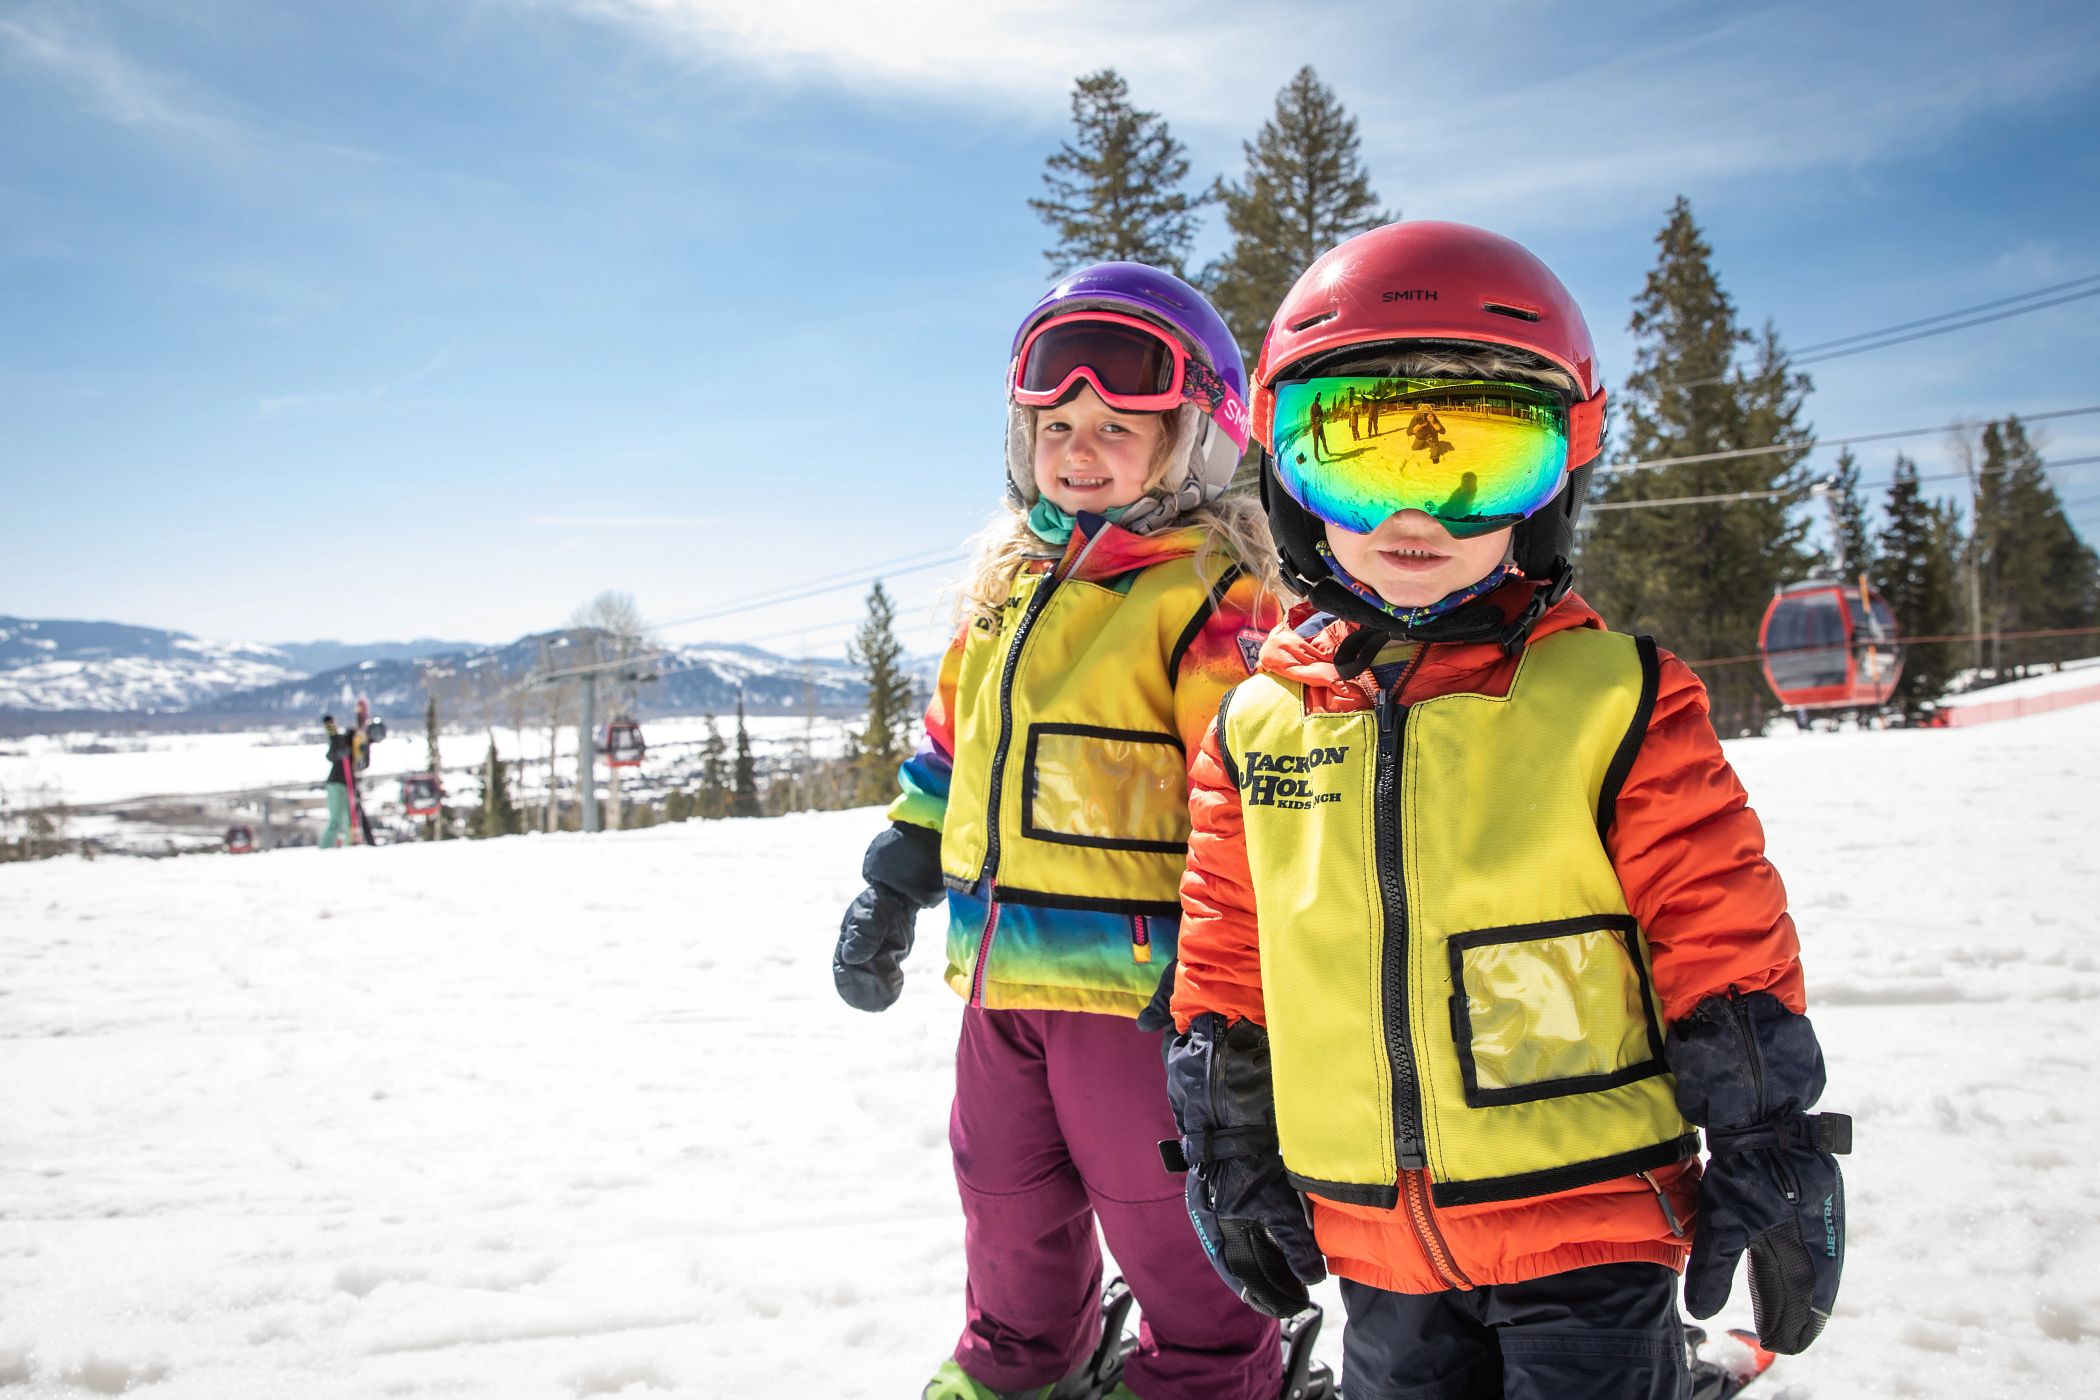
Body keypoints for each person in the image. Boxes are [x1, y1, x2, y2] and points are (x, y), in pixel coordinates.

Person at [1163, 221, 1851, 1400]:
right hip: (1374, 1235)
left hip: (1590, 1215)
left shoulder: (1618, 698)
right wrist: (1227, 1133)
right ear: (1287, 481)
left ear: (1558, 477)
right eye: (1358, 463)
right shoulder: (1255, 727)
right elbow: (1230, 953)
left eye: (1478, 461)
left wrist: (1767, 1131)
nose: (1412, 516)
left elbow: (1716, 926)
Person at [833, 263, 1285, 1400]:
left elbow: (1247, 795)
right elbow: (949, 744)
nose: (1078, 447)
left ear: (1193, 439)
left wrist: (1224, 974)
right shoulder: (1005, 586)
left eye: (1116, 427)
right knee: (1005, 1187)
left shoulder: (1207, 598)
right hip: (1000, 978)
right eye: (1057, 423)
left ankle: (1206, 1370)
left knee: (1160, 1202)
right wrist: (894, 876)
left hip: (1139, 990)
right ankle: (1017, 1359)